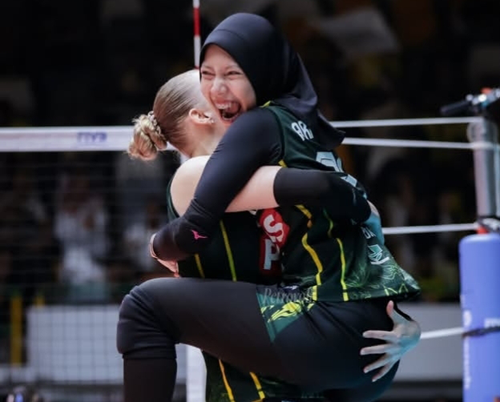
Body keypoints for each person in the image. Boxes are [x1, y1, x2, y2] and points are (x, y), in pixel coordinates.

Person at [117, 13, 421, 402]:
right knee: (145, 304)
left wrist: (157, 245)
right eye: (208, 81)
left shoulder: (258, 166)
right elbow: (362, 209)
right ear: (202, 115)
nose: (223, 90)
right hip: (295, 357)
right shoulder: (196, 172)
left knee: (144, 306)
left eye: (231, 77)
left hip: (294, 352)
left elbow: (347, 215)